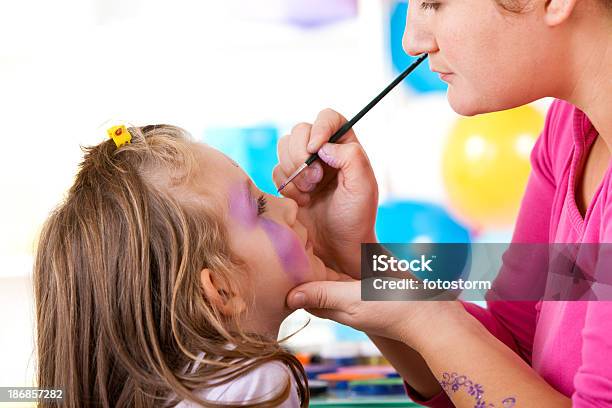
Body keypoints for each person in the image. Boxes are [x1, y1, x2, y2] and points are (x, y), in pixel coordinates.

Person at [273, 0, 612, 406]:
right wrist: (351, 256)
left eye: (433, 2)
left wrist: (421, 317)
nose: (412, 41)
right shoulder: (569, 129)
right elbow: (506, 361)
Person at [33, 124, 342, 407]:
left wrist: (353, 256)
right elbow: (392, 307)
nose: (290, 205)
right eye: (259, 207)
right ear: (221, 289)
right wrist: (358, 260)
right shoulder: (256, 384)